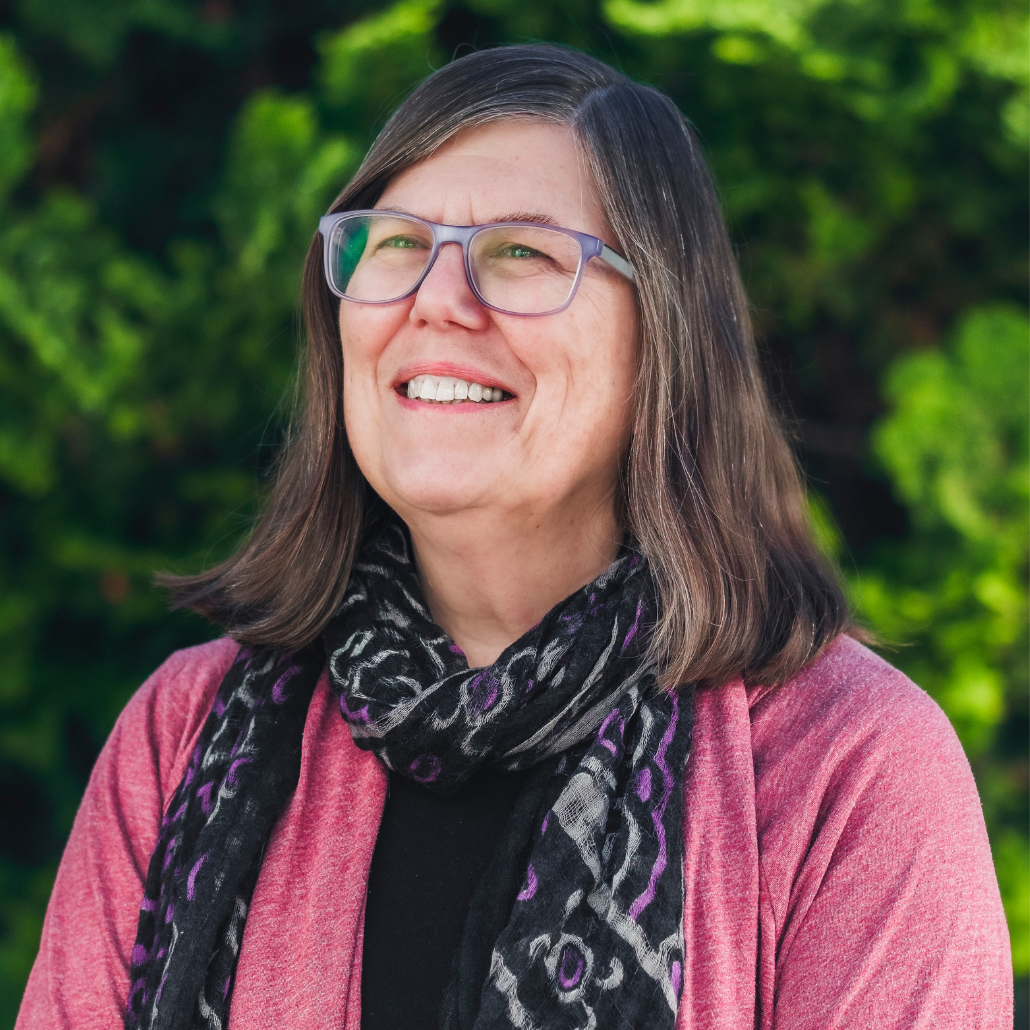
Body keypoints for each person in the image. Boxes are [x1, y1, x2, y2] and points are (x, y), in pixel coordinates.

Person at [16, 44, 1011, 1030]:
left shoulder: (851, 772)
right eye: (397, 244)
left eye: (521, 253)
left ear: (663, 336)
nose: (435, 301)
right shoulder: (182, 736)